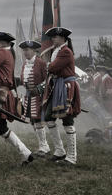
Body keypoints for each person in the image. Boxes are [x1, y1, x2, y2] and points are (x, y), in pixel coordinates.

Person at [0, 32, 33, 166]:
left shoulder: (2, 53)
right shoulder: (7, 53)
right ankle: (26, 153)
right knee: (1, 129)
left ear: (3, 42)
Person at [42, 27, 81, 165]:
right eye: (53, 37)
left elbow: (52, 68)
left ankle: (72, 157)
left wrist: (48, 65)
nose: (53, 39)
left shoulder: (65, 51)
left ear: (63, 38)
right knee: (48, 118)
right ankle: (59, 151)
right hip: (57, 85)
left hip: (65, 87)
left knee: (67, 121)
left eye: (56, 37)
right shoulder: (57, 51)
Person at [19, 40, 50, 157]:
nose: (25, 52)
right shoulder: (24, 64)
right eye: (24, 50)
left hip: (39, 97)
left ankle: (44, 146)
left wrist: (39, 89)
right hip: (29, 96)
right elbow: (23, 80)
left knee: (38, 121)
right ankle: (42, 145)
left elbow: (48, 79)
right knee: (33, 121)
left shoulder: (41, 63)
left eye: (27, 50)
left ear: (34, 50)